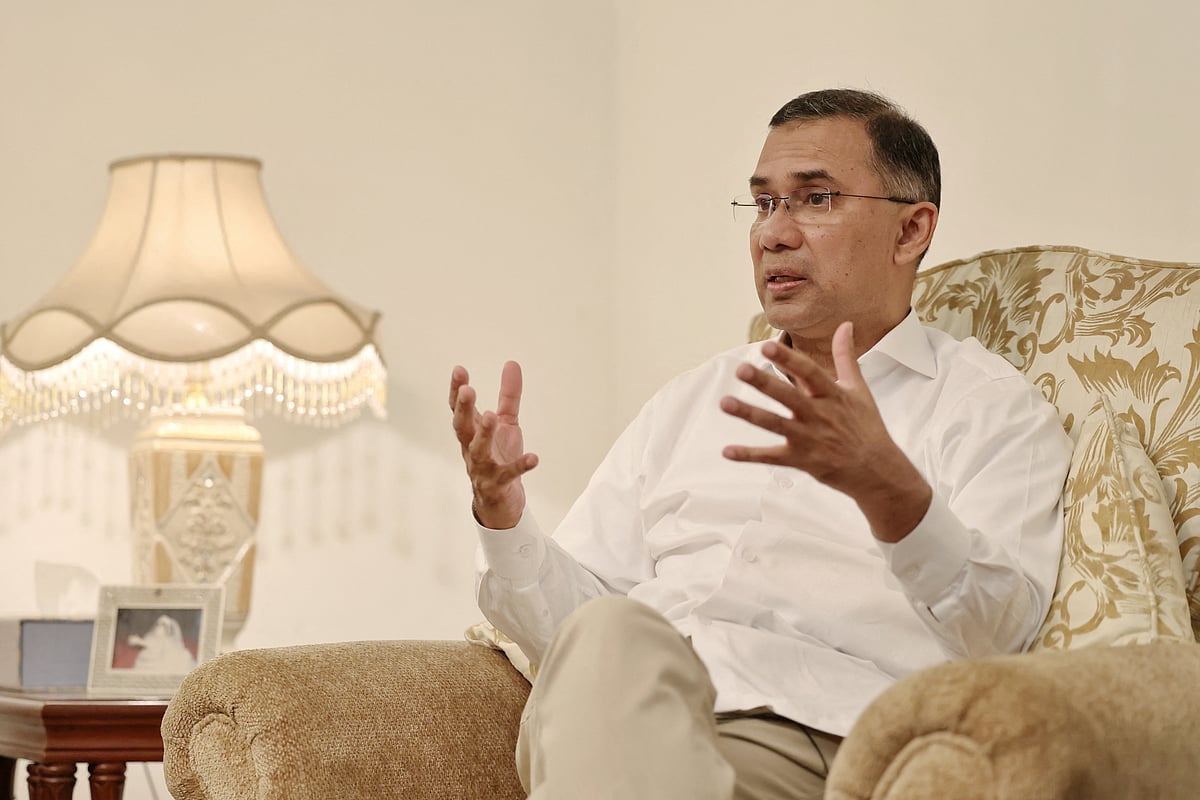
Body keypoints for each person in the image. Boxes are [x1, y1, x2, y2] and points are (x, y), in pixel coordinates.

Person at [449, 88, 1072, 800]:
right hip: (614, 712)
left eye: (814, 199)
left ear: (911, 231)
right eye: (764, 203)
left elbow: (1008, 642)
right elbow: (573, 633)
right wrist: (503, 517)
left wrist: (886, 488)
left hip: (803, 738)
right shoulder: (690, 401)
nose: (774, 233)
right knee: (609, 634)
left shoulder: (987, 407)